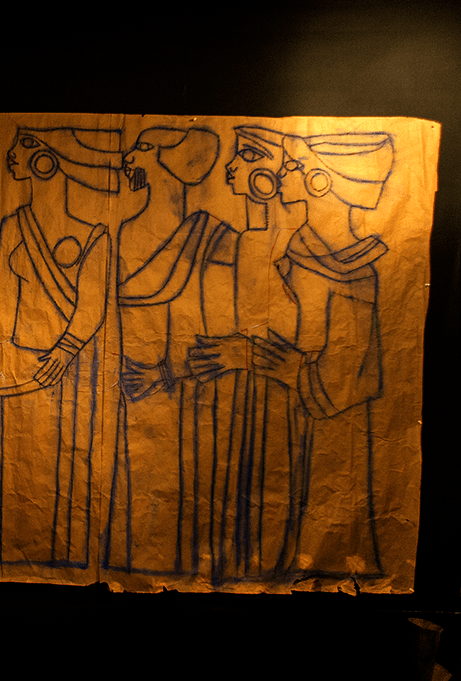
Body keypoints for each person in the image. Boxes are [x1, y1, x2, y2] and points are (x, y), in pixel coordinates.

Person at [0, 127, 120, 568]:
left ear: (47, 160)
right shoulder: (12, 227)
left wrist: (65, 351)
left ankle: (65, 560)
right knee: (13, 468)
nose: (13, 155)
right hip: (17, 368)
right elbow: (0, 309)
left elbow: (92, 307)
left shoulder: (95, 236)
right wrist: (0, 370)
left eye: (25, 145)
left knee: (65, 467)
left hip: (67, 372)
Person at [102, 126, 240, 577]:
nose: (129, 156)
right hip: (132, 391)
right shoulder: (124, 232)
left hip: (190, 389)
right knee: (137, 496)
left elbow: (224, 321)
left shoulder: (215, 237)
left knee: (192, 490)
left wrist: (167, 372)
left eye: (143, 147)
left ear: (169, 159)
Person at [254, 132, 393, 577]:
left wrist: (290, 367)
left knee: (321, 521)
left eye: (292, 166)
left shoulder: (354, 271)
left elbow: (348, 375)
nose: (281, 174)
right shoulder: (301, 250)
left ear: (320, 180)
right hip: (289, 410)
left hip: (329, 427)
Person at [186, 125, 300, 581]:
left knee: (271, 485)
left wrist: (248, 355)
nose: (232, 167)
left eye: (247, 157)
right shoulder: (248, 239)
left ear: (271, 175)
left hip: (278, 393)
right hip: (245, 391)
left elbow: (299, 330)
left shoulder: (293, 243)